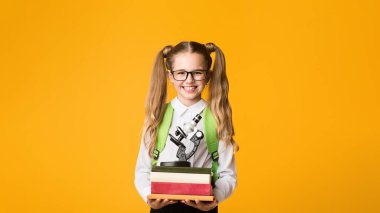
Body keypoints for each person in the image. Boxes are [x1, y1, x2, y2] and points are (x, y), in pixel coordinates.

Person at [134, 41, 239, 213]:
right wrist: (148, 196)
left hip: (204, 209)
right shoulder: (157, 116)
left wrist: (215, 198)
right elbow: (142, 170)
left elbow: (228, 174)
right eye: (181, 73)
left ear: (208, 76)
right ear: (170, 77)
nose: (189, 80)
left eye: (197, 72)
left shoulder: (217, 118)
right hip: (161, 208)